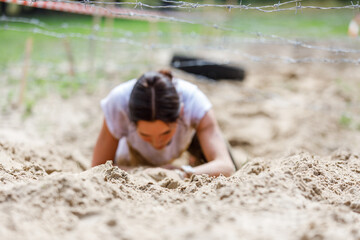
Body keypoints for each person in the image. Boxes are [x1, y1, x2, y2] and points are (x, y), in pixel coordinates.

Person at [92, 70, 237, 178]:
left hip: (185, 144)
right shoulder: (118, 103)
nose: (157, 143)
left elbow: (226, 166)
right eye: (146, 135)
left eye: (166, 133)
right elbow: (97, 168)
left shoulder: (194, 102)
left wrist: (179, 173)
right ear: (130, 119)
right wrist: (147, 173)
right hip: (133, 157)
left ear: (181, 112)